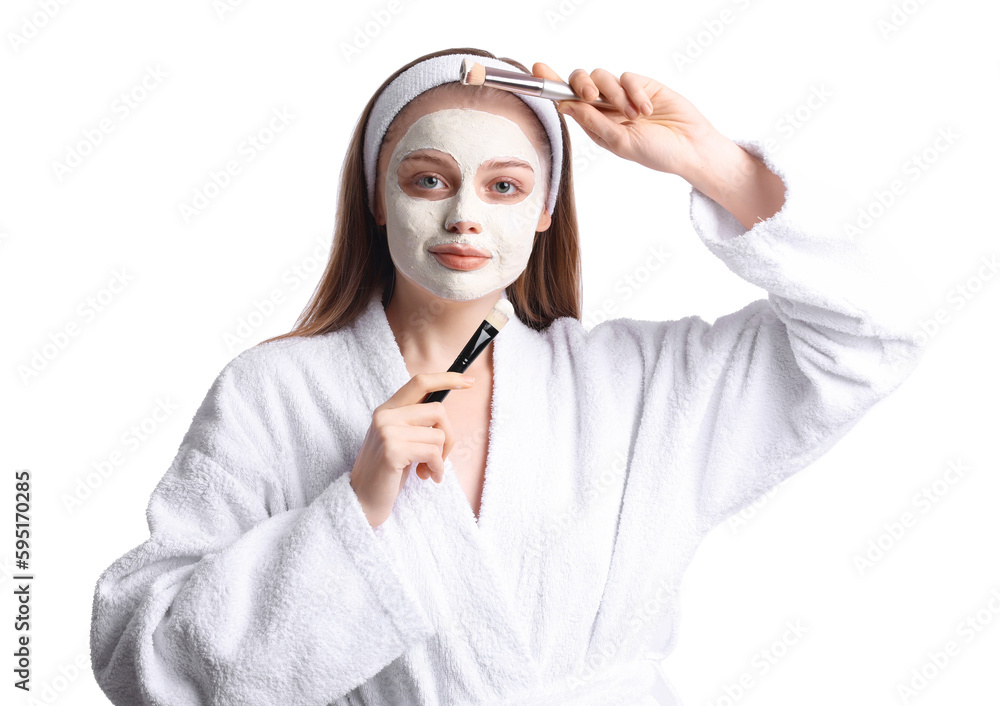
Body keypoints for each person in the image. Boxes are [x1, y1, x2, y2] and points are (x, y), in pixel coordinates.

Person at [90, 47, 922, 705]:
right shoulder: (274, 394)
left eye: (504, 186)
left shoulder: (640, 388)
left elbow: (872, 335)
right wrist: (357, 508)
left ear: (547, 207)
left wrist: (714, 163)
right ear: (378, 197)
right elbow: (148, 665)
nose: (464, 215)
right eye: (428, 180)